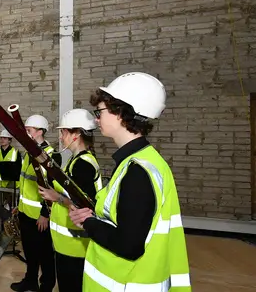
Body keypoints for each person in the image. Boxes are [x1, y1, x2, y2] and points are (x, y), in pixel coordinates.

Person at [68, 72, 191, 291]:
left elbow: (129, 245)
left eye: (100, 112)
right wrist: (94, 216)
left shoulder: (138, 171)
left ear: (122, 113)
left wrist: (89, 223)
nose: (96, 119)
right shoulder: (141, 160)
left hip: (128, 283)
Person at [38, 109, 103, 292]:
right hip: (67, 246)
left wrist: (56, 197)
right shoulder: (75, 161)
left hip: (75, 247)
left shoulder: (83, 164)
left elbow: (84, 206)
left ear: (76, 134)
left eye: (64, 132)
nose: (61, 137)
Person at [10, 114, 58, 292]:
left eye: (29, 131)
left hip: (40, 215)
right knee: (29, 251)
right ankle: (30, 280)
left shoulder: (50, 154)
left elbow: (52, 188)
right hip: (25, 211)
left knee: (45, 253)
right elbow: (25, 182)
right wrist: (19, 205)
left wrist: (45, 214)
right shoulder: (28, 152)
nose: (26, 134)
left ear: (40, 132)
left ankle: (46, 286)